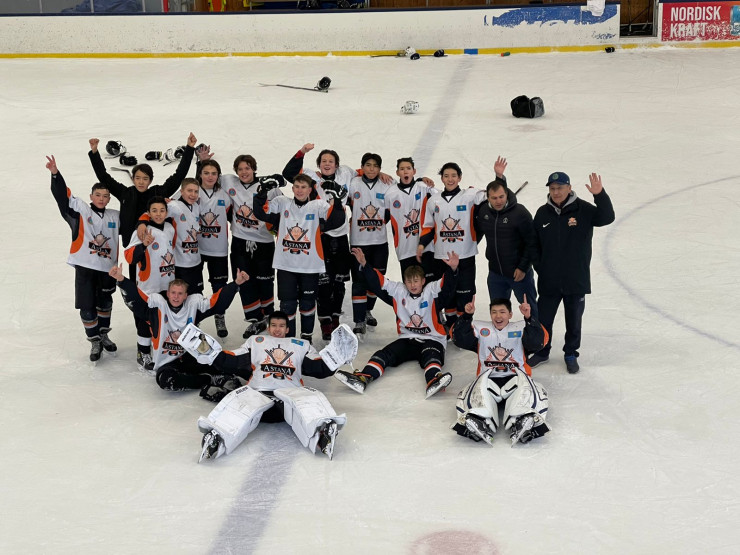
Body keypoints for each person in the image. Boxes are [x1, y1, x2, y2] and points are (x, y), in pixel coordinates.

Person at [190, 311, 357, 462]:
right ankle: (217, 437)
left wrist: (335, 356)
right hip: (259, 392)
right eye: (274, 325)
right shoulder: (256, 341)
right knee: (240, 399)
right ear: (268, 328)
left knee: (309, 397)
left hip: (289, 396)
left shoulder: (301, 345)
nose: (277, 329)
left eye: (282, 326)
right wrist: (210, 352)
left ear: (287, 329)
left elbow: (317, 367)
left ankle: (322, 433)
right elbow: (233, 360)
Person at [335, 247, 459, 399]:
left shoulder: (431, 291)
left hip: (432, 339)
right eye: (409, 281)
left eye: (416, 281)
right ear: (404, 282)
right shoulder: (398, 292)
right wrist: (365, 265)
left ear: (423, 281)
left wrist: (453, 269)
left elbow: (446, 285)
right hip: (407, 339)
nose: (413, 285)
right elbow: (379, 282)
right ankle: (364, 377)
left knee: (431, 356)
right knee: (384, 354)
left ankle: (434, 379)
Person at [109, 263, 248, 393]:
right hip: (167, 363)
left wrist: (236, 284)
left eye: (180, 293)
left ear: (186, 295)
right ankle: (209, 379)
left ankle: (245, 369)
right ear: (168, 294)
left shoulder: (193, 305)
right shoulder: (157, 307)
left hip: (191, 357)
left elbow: (217, 302)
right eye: (173, 293)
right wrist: (121, 280)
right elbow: (137, 299)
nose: (176, 297)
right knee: (166, 380)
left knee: (220, 363)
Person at [528, 172, 615, 374]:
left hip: (576, 279)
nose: (556, 192)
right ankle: (542, 351)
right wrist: (541, 267)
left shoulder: (583, 209)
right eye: (552, 188)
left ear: (569, 188)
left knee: (574, 321)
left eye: (560, 187)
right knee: (544, 320)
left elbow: (607, 217)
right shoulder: (542, 213)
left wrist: (599, 195)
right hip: (549, 280)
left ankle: (571, 353)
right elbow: (533, 243)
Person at [252, 173, 346, 341]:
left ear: (310, 190)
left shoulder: (318, 205)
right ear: (292, 188)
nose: (299, 190)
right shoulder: (282, 203)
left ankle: (306, 339)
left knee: (307, 304)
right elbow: (261, 213)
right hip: (286, 265)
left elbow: (336, 221)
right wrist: (263, 191)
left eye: (303, 187)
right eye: (296, 186)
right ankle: (290, 341)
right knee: (287, 304)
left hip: (310, 266)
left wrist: (337, 200)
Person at [418, 158, 506, 329]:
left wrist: (499, 176)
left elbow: (494, 194)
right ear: (442, 179)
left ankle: (463, 328)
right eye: (446, 176)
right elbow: (428, 226)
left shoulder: (470, 195)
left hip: (465, 255)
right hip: (443, 257)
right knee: (448, 294)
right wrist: (422, 244)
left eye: (454, 175)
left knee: (465, 294)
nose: (450, 179)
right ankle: (451, 327)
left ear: (460, 177)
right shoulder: (433, 201)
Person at [48, 155, 120, 362]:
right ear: (91, 196)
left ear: (109, 199)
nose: (101, 199)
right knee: (87, 306)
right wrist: (55, 174)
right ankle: (94, 340)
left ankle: (103, 334)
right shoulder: (81, 210)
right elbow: (62, 197)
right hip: (85, 267)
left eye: (105, 196)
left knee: (105, 304)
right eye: (98, 195)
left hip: (108, 269)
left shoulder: (115, 216)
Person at [451, 296, 551, 446]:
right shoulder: (480, 329)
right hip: (489, 379)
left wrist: (529, 318)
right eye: (494, 312)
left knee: (527, 389)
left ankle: (524, 420)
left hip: (515, 378)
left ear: (510, 314)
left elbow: (539, 342)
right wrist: (466, 317)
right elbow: (458, 339)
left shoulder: (521, 327)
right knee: (475, 391)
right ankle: (478, 419)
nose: (498, 316)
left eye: (502, 312)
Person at [87, 134, 196, 249]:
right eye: (138, 178)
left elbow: (179, 176)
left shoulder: (157, 193)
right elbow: (103, 177)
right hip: (132, 247)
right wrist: (94, 153)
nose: (141, 182)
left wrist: (189, 148)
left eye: (145, 179)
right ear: (132, 179)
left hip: (155, 246)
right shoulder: (125, 193)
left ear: (150, 180)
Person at [221, 153, 286, 339]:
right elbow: (207, 178)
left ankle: (268, 318)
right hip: (240, 241)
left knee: (265, 281)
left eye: (247, 168)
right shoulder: (229, 182)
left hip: (264, 243)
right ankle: (255, 320)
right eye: (240, 169)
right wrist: (200, 160)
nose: (244, 172)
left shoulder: (268, 187)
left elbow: (284, 207)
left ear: (254, 169)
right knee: (244, 281)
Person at [474, 175, 539, 320]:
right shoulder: (484, 212)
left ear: (507, 194)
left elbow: (532, 242)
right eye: (494, 198)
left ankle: (535, 334)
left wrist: (523, 267)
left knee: (530, 310)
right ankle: (501, 335)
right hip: (496, 274)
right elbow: (476, 234)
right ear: (488, 198)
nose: (498, 201)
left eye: (501, 197)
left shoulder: (520, 213)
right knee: (498, 313)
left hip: (519, 274)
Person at [123, 196, 175, 371]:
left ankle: (160, 349)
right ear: (148, 213)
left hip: (167, 283)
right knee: (145, 319)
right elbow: (129, 257)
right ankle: (143, 352)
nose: (158, 214)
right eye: (154, 211)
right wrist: (143, 245)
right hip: (148, 285)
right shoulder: (142, 231)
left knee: (162, 318)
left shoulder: (170, 228)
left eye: (162, 210)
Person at [347, 152, 392, 335]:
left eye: (375, 166)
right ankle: (359, 320)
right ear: (362, 167)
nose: (371, 169)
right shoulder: (353, 183)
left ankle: (367, 310)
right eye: (368, 165)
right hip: (358, 242)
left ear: (380, 168)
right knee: (359, 281)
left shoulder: (387, 184)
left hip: (380, 242)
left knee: (376, 279)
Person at [194, 156, 232, 338]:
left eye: (214, 173)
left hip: (219, 249)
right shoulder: (192, 191)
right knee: (194, 287)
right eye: (206, 173)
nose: (210, 176)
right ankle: (194, 318)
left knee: (219, 286)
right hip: (195, 249)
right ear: (200, 174)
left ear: (218, 176)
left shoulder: (225, 194)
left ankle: (219, 315)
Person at [385, 157, 437, 281]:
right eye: (402, 169)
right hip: (404, 250)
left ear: (414, 171)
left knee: (429, 286)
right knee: (410, 287)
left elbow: (443, 199)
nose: (405, 171)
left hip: (426, 248)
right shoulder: (390, 194)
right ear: (397, 172)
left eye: (408, 168)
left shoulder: (424, 187)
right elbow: (383, 218)